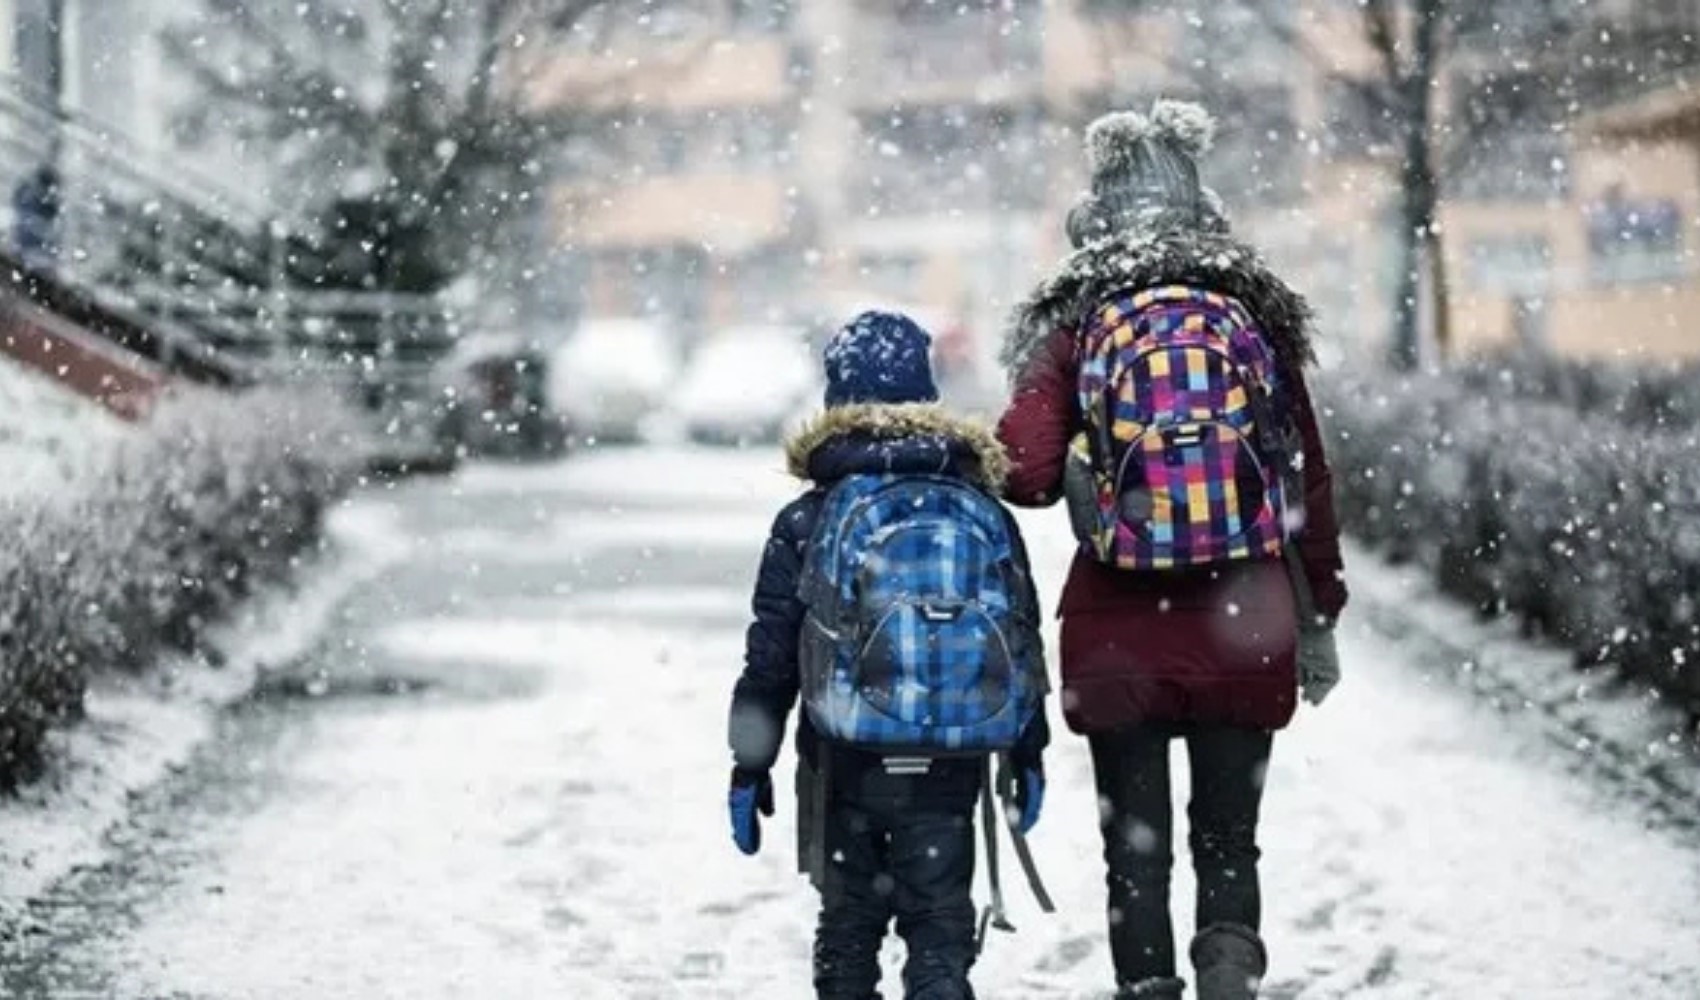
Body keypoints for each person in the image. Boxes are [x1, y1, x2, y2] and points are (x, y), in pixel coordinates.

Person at [994, 101, 1348, 999]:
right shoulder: (1252, 317)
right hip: (1248, 615)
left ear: (1094, 216)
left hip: (1119, 629)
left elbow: (1026, 472)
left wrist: (1087, 465)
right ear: (1204, 209)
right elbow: (1305, 477)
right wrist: (1321, 615)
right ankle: (1229, 968)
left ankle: (1146, 986)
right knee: (1228, 837)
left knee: (1134, 849)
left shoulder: (1075, 320)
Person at [727, 310, 1051, 1000]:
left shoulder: (809, 517)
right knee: (939, 925)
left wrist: (748, 765)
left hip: (846, 754)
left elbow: (771, 658)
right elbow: (1021, 637)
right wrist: (1029, 750)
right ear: (926, 394)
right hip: (952, 757)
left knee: (849, 923)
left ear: (836, 399)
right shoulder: (977, 503)